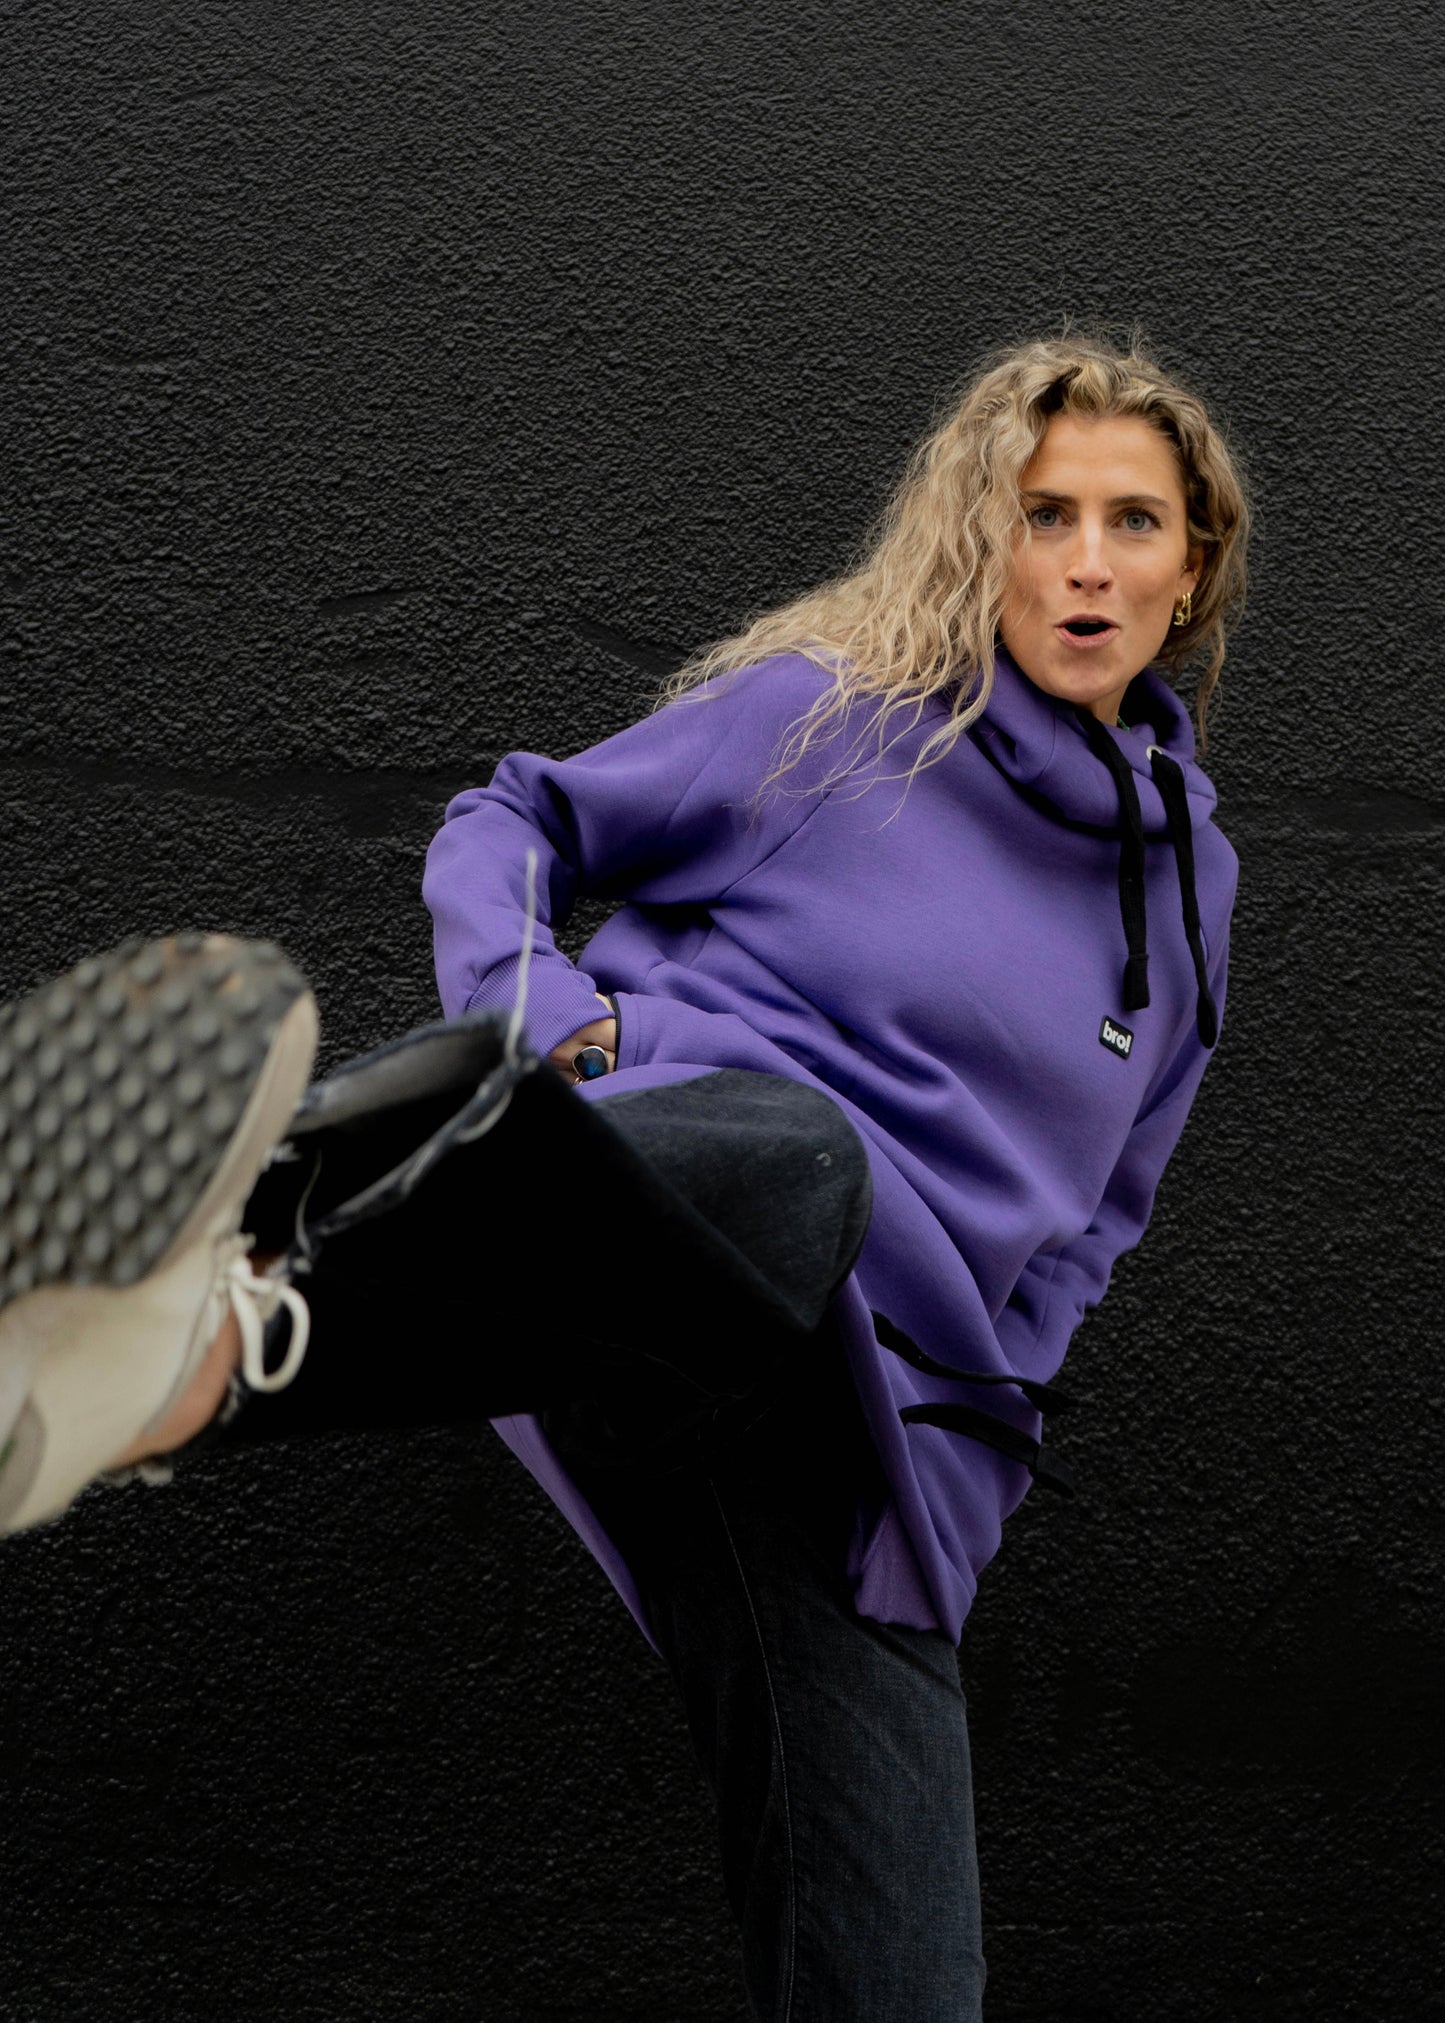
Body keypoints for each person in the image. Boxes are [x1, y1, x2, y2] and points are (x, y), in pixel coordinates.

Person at [0, 330, 1248, 2020]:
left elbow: (1093, 1227)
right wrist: (544, 1010)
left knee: (902, 1981)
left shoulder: (1191, 896)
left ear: (1191, 568)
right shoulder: (839, 720)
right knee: (806, 1158)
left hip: (858, 1423)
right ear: (985, 540)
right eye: (1043, 515)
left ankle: (201, 1309)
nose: (1086, 561)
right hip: (666, 1221)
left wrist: (972, 1458)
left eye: (1132, 521)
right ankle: (215, 1311)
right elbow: (511, 821)